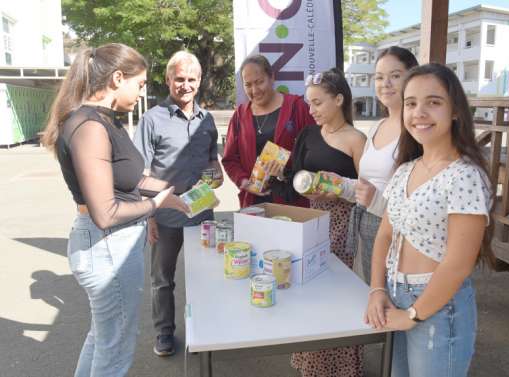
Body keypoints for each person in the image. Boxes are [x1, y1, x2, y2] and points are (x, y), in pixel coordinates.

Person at [41, 43, 188, 377]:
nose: (141, 92)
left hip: (108, 246)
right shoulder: (90, 127)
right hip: (106, 246)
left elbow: (133, 177)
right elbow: (105, 212)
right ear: (117, 78)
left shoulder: (104, 120)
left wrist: (171, 191)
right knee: (115, 349)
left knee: (103, 338)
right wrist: (155, 204)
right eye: (139, 84)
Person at [364, 63, 495, 377]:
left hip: (437, 306)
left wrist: (413, 314)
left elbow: (457, 264)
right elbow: (385, 235)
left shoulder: (465, 176)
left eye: (433, 102)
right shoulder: (405, 169)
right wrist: (377, 290)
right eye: (411, 103)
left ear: (454, 112)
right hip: (394, 296)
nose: (419, 112)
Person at [133, 50, 221, 356]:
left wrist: (215, 174)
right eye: (179, 78)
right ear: (169, 79)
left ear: (200, 81)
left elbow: (212, 159)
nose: (185, 85)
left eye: (191, 79)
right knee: (163, 280)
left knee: (204, 276)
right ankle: (164, 333)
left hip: (202, 215)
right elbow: (140, 174)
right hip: (166, 217)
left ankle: (205, 329)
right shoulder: (151, 120)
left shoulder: (207, 120)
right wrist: (150, 217)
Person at [287, 68, 367, 377]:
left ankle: (341, 369)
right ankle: (311, 364)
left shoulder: (357, 140)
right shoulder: (308, 134)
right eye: (309, 103)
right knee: (310, 292)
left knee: (338, 296)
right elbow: (295, 173)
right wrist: (306, 184)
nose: (311, 111)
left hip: (343, 228)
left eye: (318, 103)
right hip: (312, 220)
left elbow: (367, 192)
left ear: (339, 99)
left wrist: (339, 190)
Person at [346, 47, 418, 284]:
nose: (385, 83)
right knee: (372, 298)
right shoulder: (377, 126)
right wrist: (337, 184)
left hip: (400, 239)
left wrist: (375, 201)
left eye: (395, 75)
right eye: (379, 77)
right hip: (367, 229)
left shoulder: (418, 130)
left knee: (393, 303)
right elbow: (365, 185)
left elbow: (420, 201)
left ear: (413, 77)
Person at [221, 54, 314, 208]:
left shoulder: (297, 107)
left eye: (259, 82)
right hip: (254, 202)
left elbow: (314, 153)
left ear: (272, 78)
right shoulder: (240, 115)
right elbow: (230, 159)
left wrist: (286, 172)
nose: (254, 90)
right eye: (248, 84)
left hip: (291, 202)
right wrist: (245, 182)